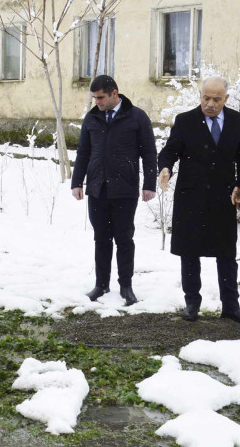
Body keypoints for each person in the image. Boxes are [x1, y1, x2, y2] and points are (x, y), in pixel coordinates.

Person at [157, 76, 240, 324]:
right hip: (191, 197)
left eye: (216, 99)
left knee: (226, 252)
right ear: (200, 95)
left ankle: (231, 306)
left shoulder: (237, 121)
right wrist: (165, 167)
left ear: (226, 98)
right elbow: (170, 151)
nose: (210, 104)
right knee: (190, 252)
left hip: (224, 198)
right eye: (206, 98)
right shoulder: (185, 121)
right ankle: (192, 303)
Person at [71, 75, 157, 306]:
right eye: (94, 98)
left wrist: (149, 184)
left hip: (125, 189)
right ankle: (101, 284)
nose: (96, 102)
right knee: (101, 239)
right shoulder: (92, 118)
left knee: (124, 239)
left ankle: (126, 286)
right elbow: (83, 152)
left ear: (114, 94)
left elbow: (149, 152)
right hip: (97, 188)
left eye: (100, 97)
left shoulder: (136, 117)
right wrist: (77, 182)